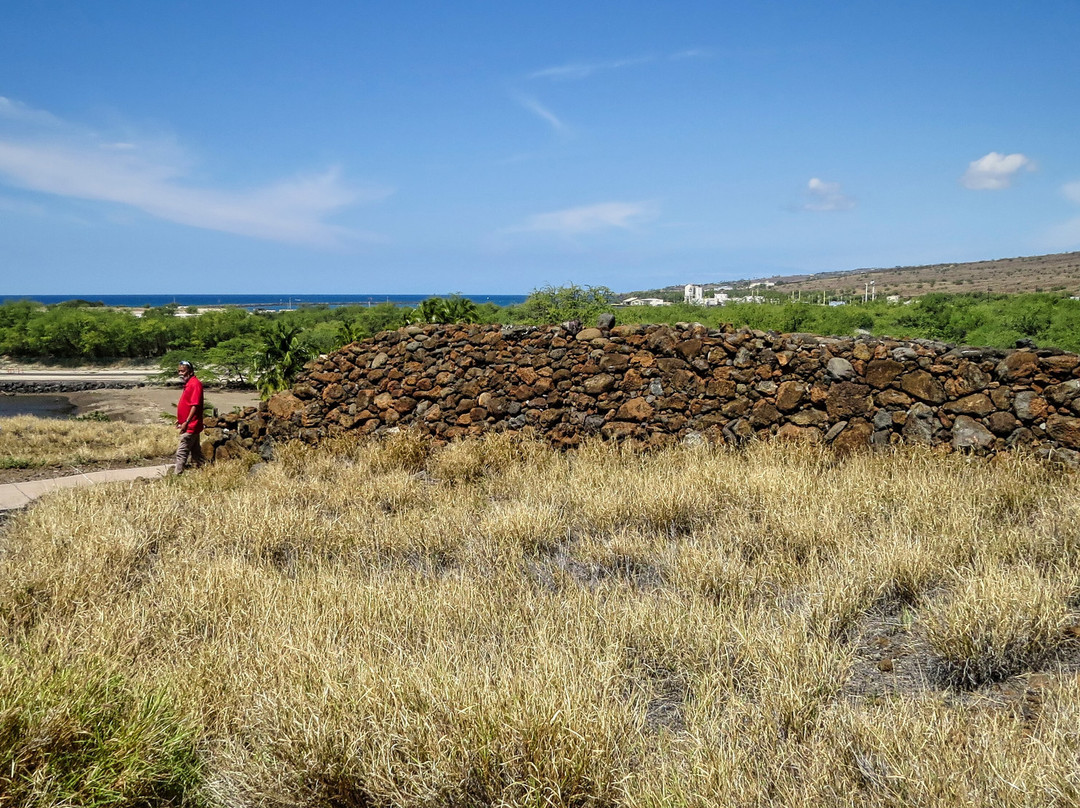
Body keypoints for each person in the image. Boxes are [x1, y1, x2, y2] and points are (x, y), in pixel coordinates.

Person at [174, 360, 206, 474]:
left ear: (190, 372)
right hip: (190, 423)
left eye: (183, 371)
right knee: (196, 452)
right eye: (179, 371)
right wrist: (180, 419)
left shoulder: (195, 384)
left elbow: (195, 405)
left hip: (191, 425)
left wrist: (186, 422)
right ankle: (205, 472)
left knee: (181, 452)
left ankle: (177, 475)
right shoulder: (189, 384)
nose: (180, 373)